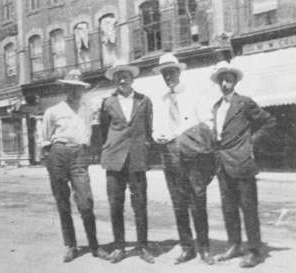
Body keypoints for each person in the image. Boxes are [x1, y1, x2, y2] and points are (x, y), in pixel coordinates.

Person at [152, 52, 216, 265]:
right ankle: (187, 247)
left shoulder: (194, 94)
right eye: (164, 73)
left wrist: (186, 137)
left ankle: (205, 248)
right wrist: (157, 135)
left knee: (198, 201)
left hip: (193, 155)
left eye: (171, 72)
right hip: (170, 155)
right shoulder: (160, 100)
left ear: (178, 72)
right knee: (179, 203)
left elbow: (207, 122)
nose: (167, 76)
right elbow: (156, 128)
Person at [210, 61, 276, 268]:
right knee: (229, 208)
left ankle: (255, 251)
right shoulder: (216, 106)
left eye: (228, 80)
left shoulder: (244, 103)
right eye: (221, 80)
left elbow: (269, 121)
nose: (225, 84)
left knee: (248, 208)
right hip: (223, 164)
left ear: (235, 82)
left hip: (242, 162)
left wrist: (251, 143)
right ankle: (234, 245)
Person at [41, 69, 109, 263]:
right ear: (65, 89)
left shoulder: (88, 109)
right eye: (70, 88)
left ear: (82, 90)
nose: (74, 92)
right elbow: (45, 139)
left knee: (86, 202)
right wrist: (50, 159)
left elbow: (93, 129)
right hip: (58, 154)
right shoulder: (53, 111)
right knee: (62, 202)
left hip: (79, 155)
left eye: (78, 88)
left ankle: (95, 246)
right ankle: (71, 245)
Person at [99, 59, 155, 264]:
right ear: (114, 80)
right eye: (118, 76)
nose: (122, 79)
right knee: (116, 204)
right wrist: (112, 148)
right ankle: (119, 247)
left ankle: (143, 247)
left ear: (132, 78)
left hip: (137, 158)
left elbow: (148, 129)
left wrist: (144, 150)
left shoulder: (144, 101)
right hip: (114, 159)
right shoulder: (107, 102)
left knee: (140, 203)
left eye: (126, 75)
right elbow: (104, 132)